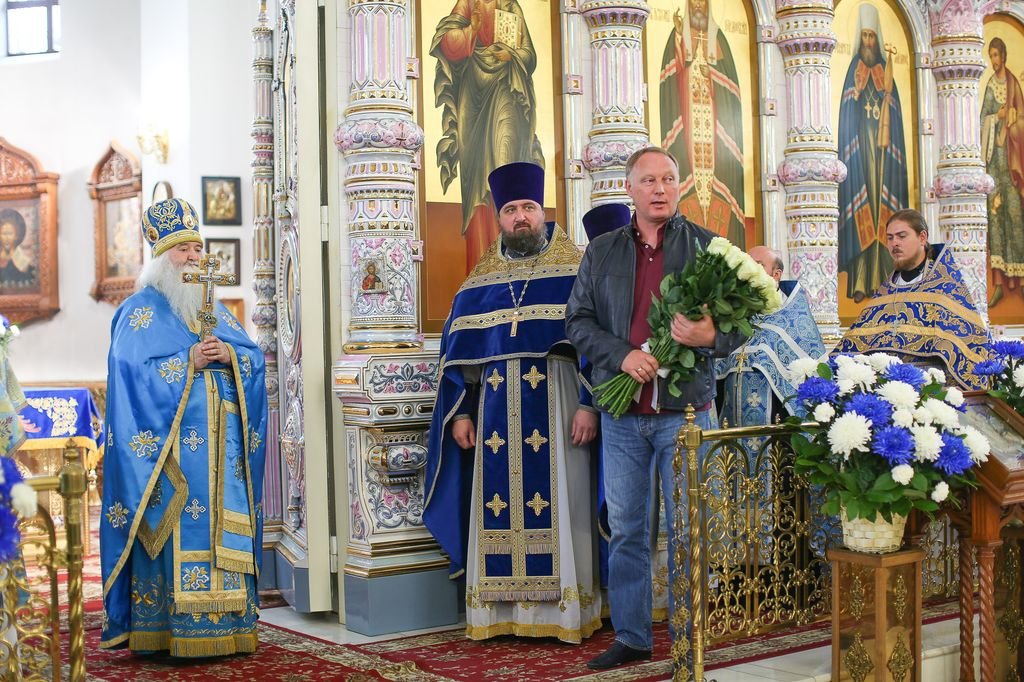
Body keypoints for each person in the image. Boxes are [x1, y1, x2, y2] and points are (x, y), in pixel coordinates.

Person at [566, 147, 743, 670]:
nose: (660, 188)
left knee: (690, 530)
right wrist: (622, 356)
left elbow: (741, 325)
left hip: (686, 413)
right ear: (630, 189)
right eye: (649, 180)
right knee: (627, 530)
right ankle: (633, 636)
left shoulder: (708, 247)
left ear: (679, 186)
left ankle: (691, 637)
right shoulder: (602, 252)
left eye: (668, 178)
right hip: (623, 416)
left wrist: (710, 336)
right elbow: (577, 322)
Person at [424, 162, 602, 643]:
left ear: (542, 210)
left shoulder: (576, 269)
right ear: (498, 217)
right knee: (496, 505)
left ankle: (565, 612)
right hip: (495, 415)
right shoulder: (478, 283)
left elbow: (597, 344)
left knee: (566, 502)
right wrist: (461, 413)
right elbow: (459, 355)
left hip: (561, 405)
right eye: (510, 210)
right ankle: (500, 610)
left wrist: (589, 404)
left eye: (528, 207)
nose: (521, 217)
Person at [100, 198, 267, 656]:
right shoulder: (139, 310)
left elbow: (253, 359)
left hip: (223, 459)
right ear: (160, 256)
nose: (193, 256)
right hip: (171, 458)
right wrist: (186, 361)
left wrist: (231, 356)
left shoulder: (213, 311)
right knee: (173, 532)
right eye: (182, 249)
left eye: (197, 247)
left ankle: (230, 626)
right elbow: (130, 376)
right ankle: (167, 631)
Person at [431, 0, 545, 273]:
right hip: (472, 96)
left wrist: (512, 55)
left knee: (504, 167)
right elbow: (446, 43)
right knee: (476, 180)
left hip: (506, 91)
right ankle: (483, 264)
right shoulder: (469, 4)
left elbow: (529, 54)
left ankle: (514, 261)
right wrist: (471, 30)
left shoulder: (510, 6)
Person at [833, 208, 990, 390]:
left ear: (922, 237)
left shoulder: (945, 288)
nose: (894, 243)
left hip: (931, 392)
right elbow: (852, 347)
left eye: (902, 236)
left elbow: (967, 353)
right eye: (890, 238)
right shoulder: (886, 292)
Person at [837, 3, 910, 303]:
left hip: (882, 154)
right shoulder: (853, 70)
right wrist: (854, 96)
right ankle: (859, 281)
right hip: (859, 155)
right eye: (864, 36)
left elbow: (896, 116)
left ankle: (884, 279)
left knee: (884, 215)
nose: (868, 42)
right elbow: (846, 111)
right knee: (862, 212)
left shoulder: (885, 72)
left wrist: (888, 102)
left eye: (872, 37)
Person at [659, 0, 745, 248]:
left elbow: (731, 88)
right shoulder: (676, 36)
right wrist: (679, 43)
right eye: (694, 2)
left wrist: (712, 76)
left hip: (714, 128)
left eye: (702, 2)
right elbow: (670, 83)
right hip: (688, 124)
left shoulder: (720, 41)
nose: (698, 6)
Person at [715, 246, 825, 429]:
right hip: (731, 423)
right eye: (745, 265)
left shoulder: (794, 318)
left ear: (776, 274)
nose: (748, 271)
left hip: (777, 428)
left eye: (757, 265)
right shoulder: (733, 316)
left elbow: (809, 373)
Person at [981, 36, 1024, 307]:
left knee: (1015, 216)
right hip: (994, 164)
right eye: (991, 56)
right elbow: (982, 120)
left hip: (1012, 162)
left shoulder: (1013, 85)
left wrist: (1013, 122)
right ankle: (998, 283)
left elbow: (1022, 119)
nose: (994, 60)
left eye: (997, 55)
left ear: (1004, 56)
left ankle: (1020, 280)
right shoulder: (989, 87)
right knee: (995, 218)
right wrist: (995, 118)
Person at [0, 209, 37, 289]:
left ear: (16, 236)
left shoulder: (23, 262)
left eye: (10, 233)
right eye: (3, 233)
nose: (7, 238)